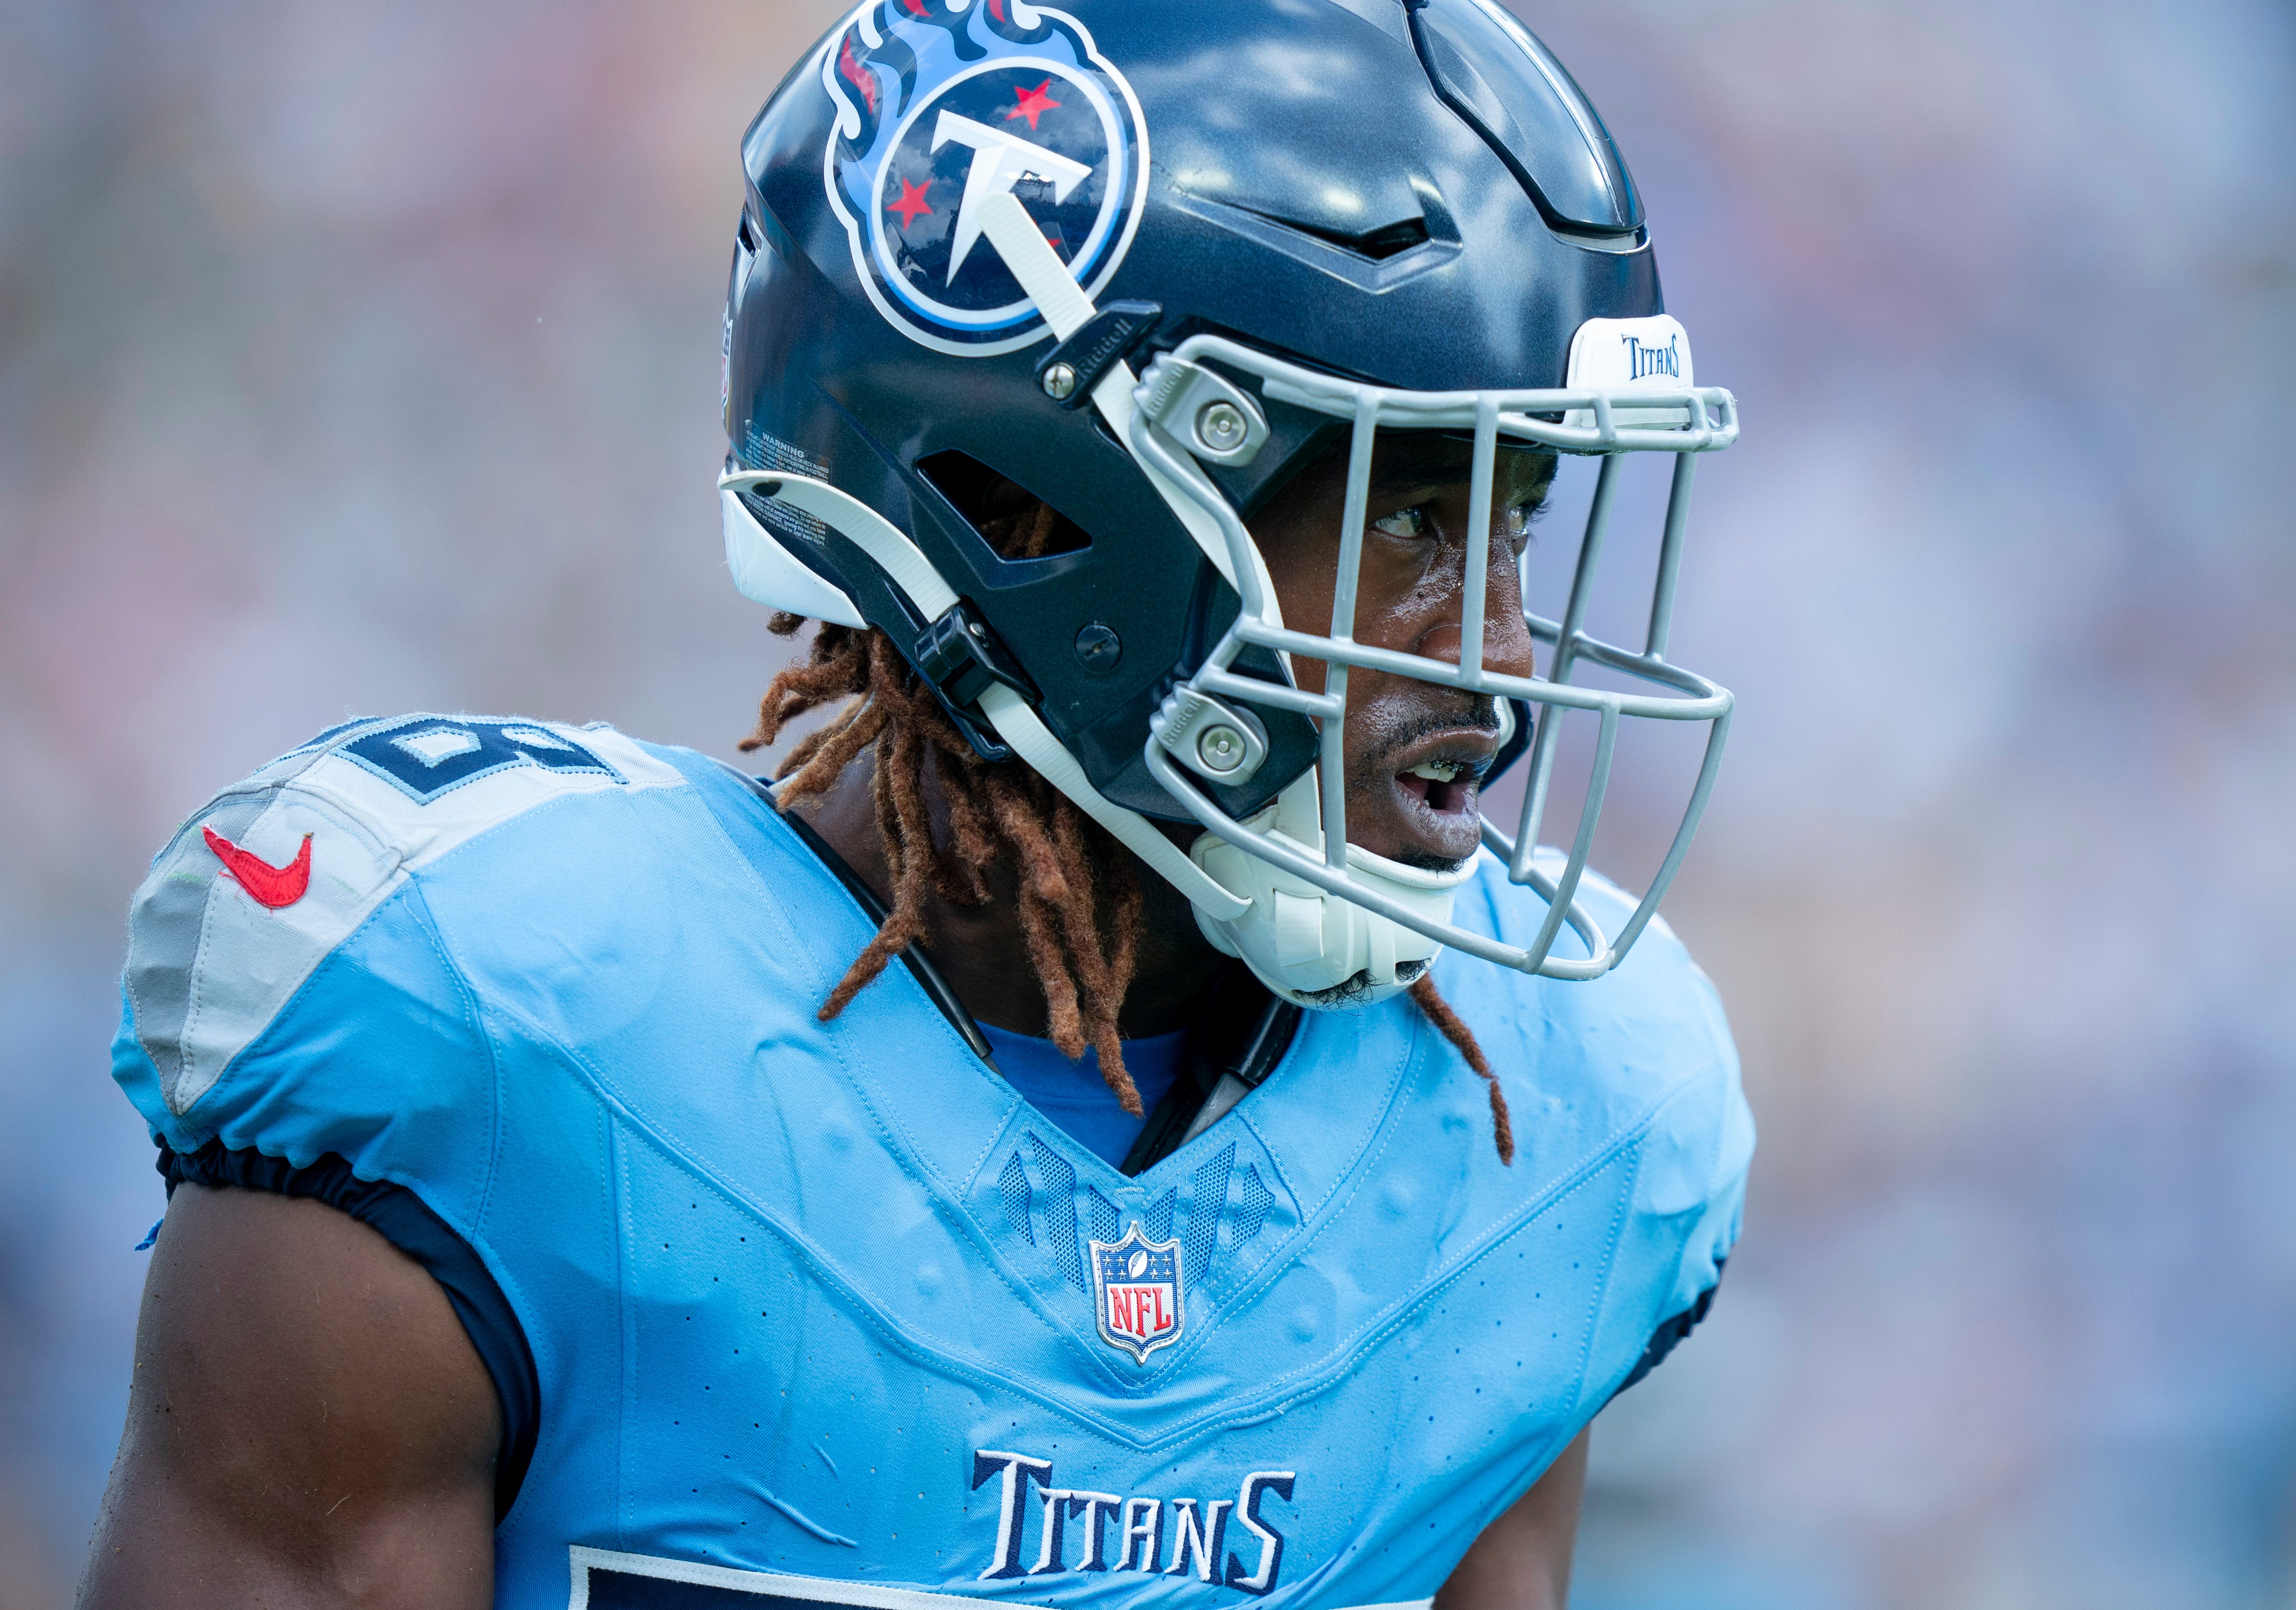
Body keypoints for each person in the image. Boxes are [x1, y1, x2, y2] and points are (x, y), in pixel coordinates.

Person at [79, 2, 1752, 1606]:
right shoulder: (513, 1027)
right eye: (1413, 518)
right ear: (1039, 499)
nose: (1507, 660)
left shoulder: (1556, 1117)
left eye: (1518, 520)